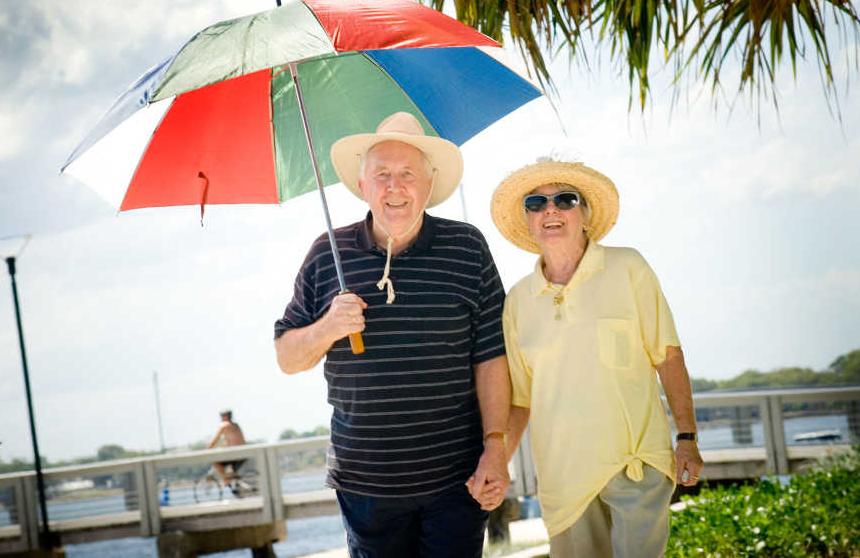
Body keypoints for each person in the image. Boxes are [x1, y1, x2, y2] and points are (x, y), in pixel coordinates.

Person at [274, 112, 510, 557]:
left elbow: (491, 357)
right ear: (363, 185)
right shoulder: (328, 254)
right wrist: (329, 327)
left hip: (456, 479)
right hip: (367, 488)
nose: (394, 187)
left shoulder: (467, 247)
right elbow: (287, 357)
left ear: (428, 183)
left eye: (407, 174)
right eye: (381, 174)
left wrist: (496, 447)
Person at [487, 158, 704, 558]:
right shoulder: (516, 300)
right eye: (536, 203)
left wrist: (687, 437)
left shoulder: (628, 267)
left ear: (585, 214)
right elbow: (519, 401)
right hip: (563, 482)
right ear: (529, 221)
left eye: (565, 199)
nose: (550, 209)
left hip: (636, 464)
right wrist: (497, 463)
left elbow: (668, 356)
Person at [207, 409, 246, 494]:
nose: (221, 418)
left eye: (222, 416)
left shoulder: (224, 425)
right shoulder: (236, 425)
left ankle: (227, 480)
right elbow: (235, 441)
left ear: (225, 416)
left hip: (234, 455)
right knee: (232, 471)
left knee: (215, 462)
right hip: (243, 454)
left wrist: (208, 449)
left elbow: (215, 440)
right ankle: (237, 487)